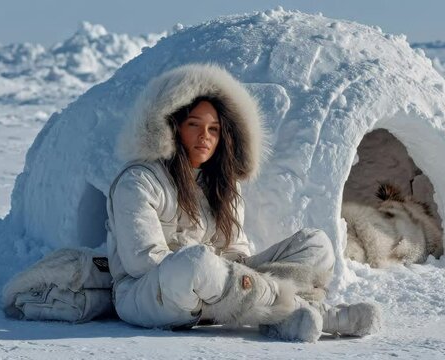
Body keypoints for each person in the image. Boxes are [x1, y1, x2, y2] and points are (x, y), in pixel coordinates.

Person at [106, 64, 381, 342]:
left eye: (214, 129)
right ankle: (309, 311)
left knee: (316, 244)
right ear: (171, 127)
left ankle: (280, 319)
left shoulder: (223, 183)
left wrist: (227, 276)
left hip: (222, 288)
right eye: (194, 125)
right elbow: (143, 262)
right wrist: (213, 269)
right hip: (150, 293)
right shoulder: (139, 181)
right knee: (196, 263)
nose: (205, 137)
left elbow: (235, 254)